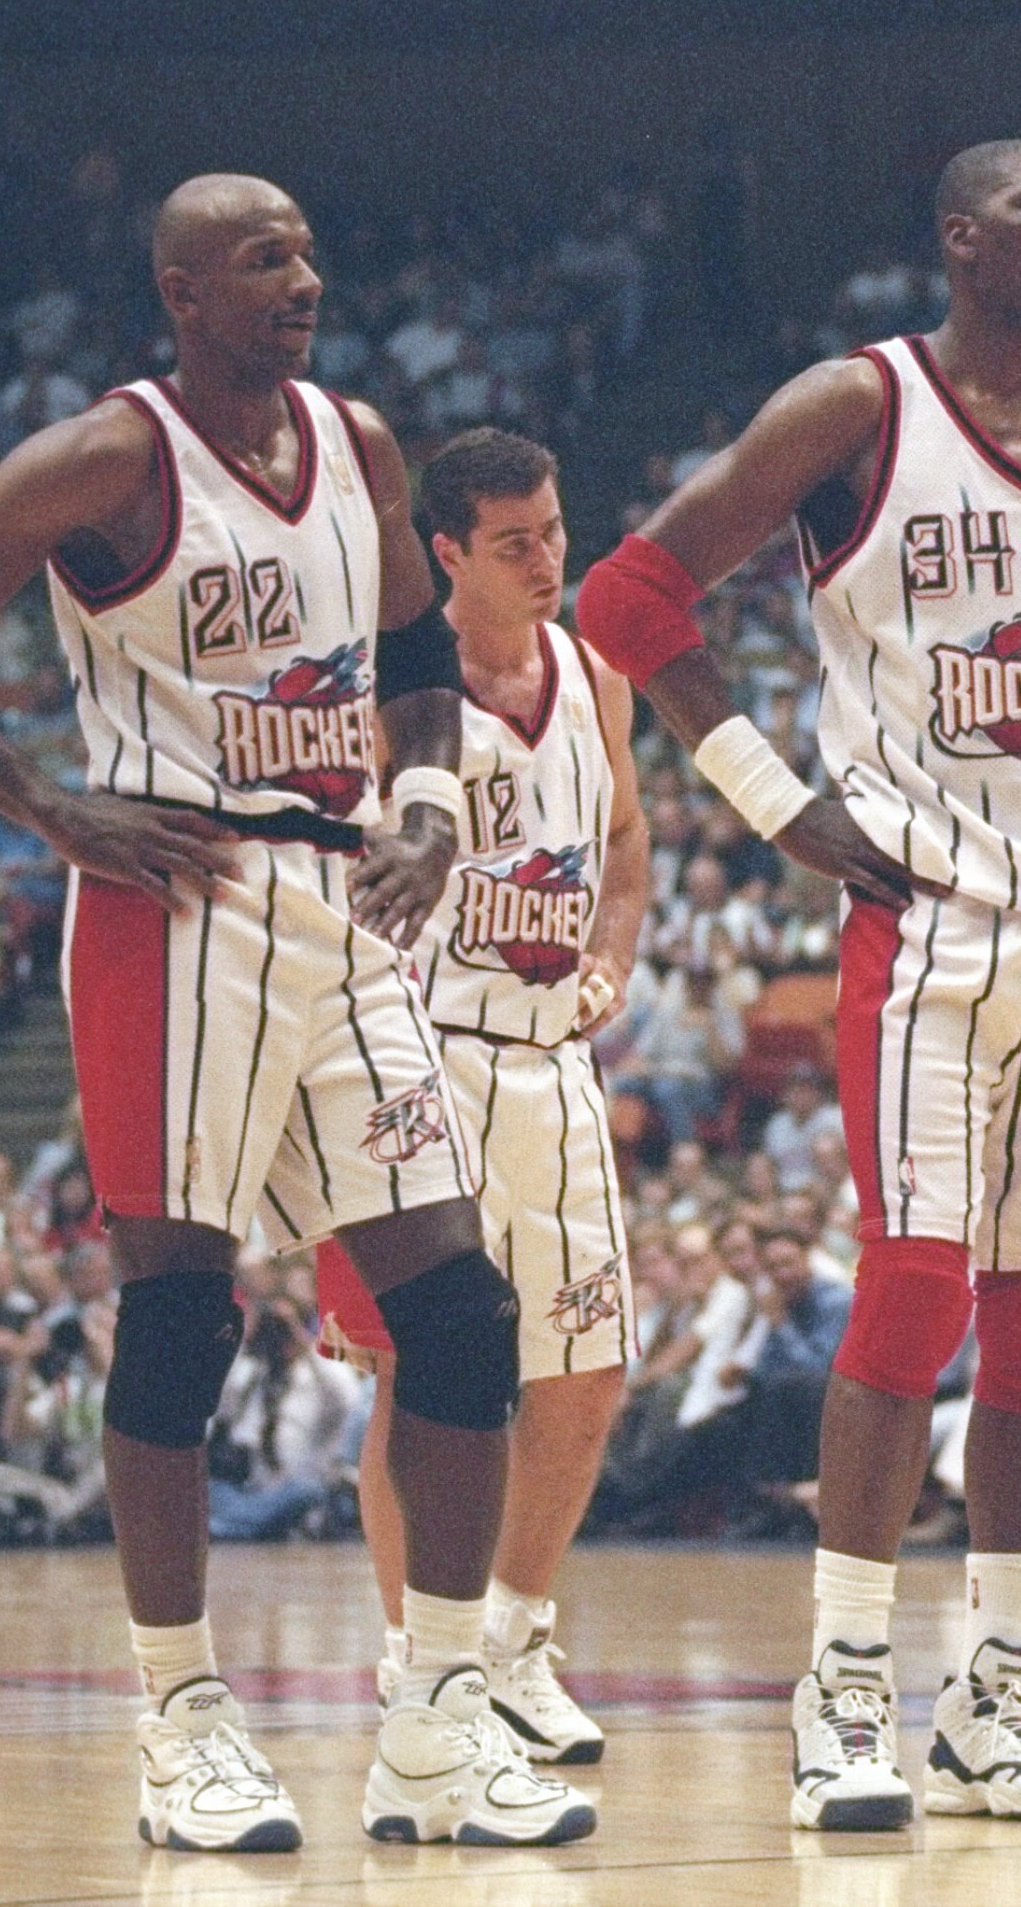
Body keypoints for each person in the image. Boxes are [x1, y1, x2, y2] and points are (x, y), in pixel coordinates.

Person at [0, 175, 589, 1853]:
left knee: (464, 1319)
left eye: (308, 250)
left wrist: (429, 808)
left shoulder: (361, 444)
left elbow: (415, 658)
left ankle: (435, 1726)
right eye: (263, 258)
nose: (303, 276)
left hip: (345, 903)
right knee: (181, 1322)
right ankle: (179, 1724)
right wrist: (44, 805)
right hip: (173, 906)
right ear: (183, 291)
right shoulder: (113, 457)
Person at [573, 138, 1021, 1831]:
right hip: (928, 916)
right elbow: (631, 593)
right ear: (960, 237)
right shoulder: (856, 408)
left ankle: (996, 1695)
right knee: (911, 1290)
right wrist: (770, 798)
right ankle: (842, 1691)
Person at [308, 426, 652, 1766]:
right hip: (423, 1049)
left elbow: (625, 839)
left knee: (587, 1366)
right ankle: (423, 1665)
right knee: (421, 1369)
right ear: (445, 553)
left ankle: (510, 1640)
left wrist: (612, 952)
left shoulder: (596, 678)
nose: (548, 558)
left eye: (554, 531)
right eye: (515, 543)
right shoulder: (397, 690)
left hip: (550, 1057)